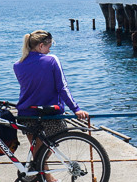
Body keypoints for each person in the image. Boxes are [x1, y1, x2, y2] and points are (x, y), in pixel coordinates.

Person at [13, 30, 89, 159]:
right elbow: (62, 88)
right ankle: (44, 176)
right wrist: (76, 109)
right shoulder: (52, 60)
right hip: (49, 114)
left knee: (38, 150)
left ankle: (41, 177)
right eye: (48, 47)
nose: (49, 51)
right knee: (47, 149)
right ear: (41, 46)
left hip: (26, 114)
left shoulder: (17, 65)